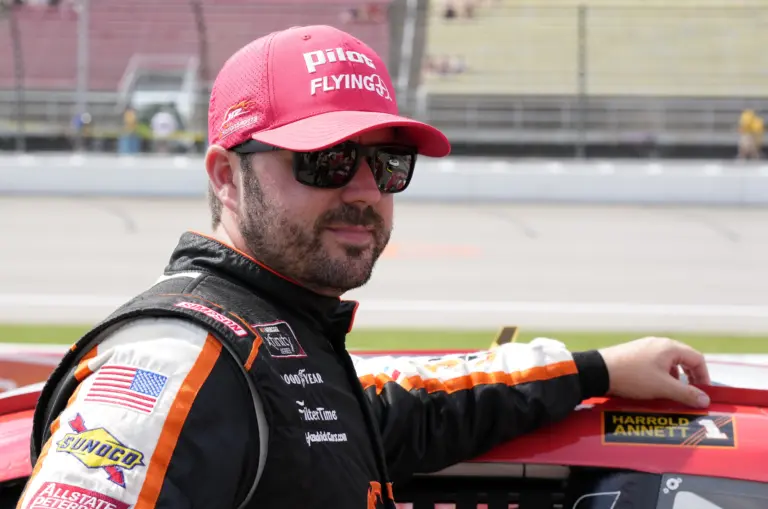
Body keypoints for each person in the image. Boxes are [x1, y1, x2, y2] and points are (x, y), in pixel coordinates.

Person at [18, 25, 712, 509]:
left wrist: (595, 371)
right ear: (227, 176)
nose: (364, 190)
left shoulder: (279, 342)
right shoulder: (175, 360)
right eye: (326, 159)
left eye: (386, 162)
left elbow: (407, 407)